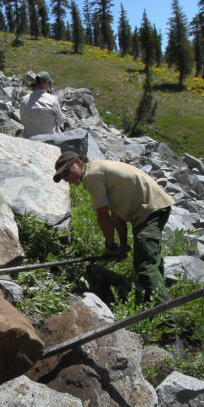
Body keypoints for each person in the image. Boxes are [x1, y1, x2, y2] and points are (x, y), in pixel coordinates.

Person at [53, 151, 174, 301]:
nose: (66, 179)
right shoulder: (98, 171)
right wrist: (122, 244)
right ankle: (161, 296)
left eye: (66, 172)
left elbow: (103, 216)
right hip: (150, 208)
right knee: (149, 257)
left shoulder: (92, 175)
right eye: (62, 177)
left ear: (78, 162)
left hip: (150, 209)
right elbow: (116, 215)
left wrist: (110, 247)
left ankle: (164, 317)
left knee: (145, 264)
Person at [20, 71, 66, 138]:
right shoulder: (52, 100)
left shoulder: (24, 100)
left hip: (30, 139)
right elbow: (60, 120)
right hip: (49, 140)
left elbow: (23, 120)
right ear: (47, 83)